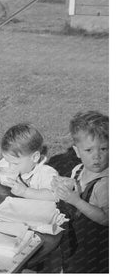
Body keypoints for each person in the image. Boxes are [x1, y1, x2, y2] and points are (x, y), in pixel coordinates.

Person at [52, 111, 108, 273]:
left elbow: (107, 219)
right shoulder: (78, 170)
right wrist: (66, 184)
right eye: (89, 150)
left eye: (103, 149)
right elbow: (78, 189)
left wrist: (76, 201)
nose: (97, 156)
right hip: (75, 245)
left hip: (97, 253)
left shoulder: (105, 183)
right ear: (77, 152)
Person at [0, 123, 58, 201]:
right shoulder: (10, 162)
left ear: (35, 157)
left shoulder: (45, 173)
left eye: (15, 164)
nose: (10, 166)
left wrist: (25, 192)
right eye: (7, 161)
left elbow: (55, 196)